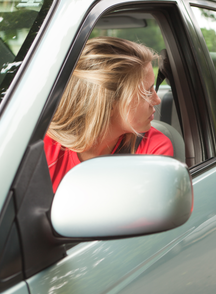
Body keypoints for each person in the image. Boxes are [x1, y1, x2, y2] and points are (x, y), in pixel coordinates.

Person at [43, 37, 174, 192]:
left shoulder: (154, 148)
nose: (157, 100)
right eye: (146, 92)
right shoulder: (43, 148)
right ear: (109, 103)